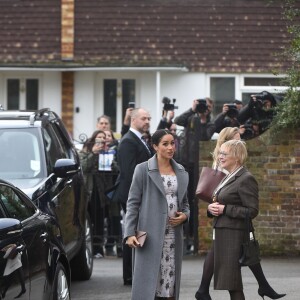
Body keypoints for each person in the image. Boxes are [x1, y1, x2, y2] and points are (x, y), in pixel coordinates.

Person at [195, 139, 286, 300]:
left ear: (237, 157)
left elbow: (252, 211)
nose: (220, 156)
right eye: (220, 153)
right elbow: (220, 201)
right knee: (231, 283)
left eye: (224, 153)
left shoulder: (246, 178)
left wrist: (225, 209)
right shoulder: (228, 176)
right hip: (223, 234)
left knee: (233, 283)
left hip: (234, 236)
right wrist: (211, 209)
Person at [124, 129, 190, 300]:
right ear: (155, 146)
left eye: (172, 143)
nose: (170, 148)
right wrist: (129, 233)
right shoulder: (142, 170)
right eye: (165, 144)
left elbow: (185, 204)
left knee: (170, 284)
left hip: (173, 235)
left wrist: (185, 216)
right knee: (150, 285)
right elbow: (132, 203)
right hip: (150, 234)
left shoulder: (181, 171)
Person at [113, 107, 153, 285]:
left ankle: (136, 272)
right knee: (131, 233)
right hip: (132, 195)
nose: (147, 122)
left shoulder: (139, 139)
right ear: (133, 119)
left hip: (137, 194)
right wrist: (139, 197)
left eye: (149, 119)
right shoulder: (129, 141)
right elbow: (129, 173)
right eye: (144, 118)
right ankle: (129, 275)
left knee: (138, 232)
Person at [174, 98, 215, 253]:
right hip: (185, 163)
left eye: (206, 107)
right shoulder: (190, 118)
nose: (204, 109)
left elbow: (205, 138)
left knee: (195, 201)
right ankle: (186, 237)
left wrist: (203, 120)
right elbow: (178, 120)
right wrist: (192, 109)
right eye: (202, 106)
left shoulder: (210, 124)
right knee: (183, 200)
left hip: (198, 166)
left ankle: (193, 238)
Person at [79, 130, 107, 258]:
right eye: (99, 137)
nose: (101, 140)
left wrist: (108, 157)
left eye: (103, 137)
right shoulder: (85, 152)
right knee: (90, 219)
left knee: (100, 220)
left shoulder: (107, 152)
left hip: (101, 190)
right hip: (89, 190)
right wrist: (93, 153)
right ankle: (88, 247)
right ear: (93, 138)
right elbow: (83, 167)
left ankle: (99, 248)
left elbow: (114, 169)